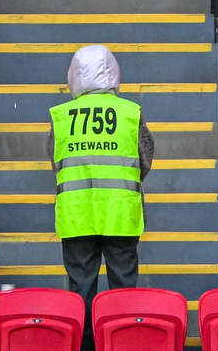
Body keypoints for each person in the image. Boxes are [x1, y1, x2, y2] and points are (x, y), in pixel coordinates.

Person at [50, 43, 153, 300]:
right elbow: (145, 157)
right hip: (120, 212)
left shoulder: (61, 116)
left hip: (77, 215)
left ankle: (86, 342)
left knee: (81, 288)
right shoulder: (130, 112)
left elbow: (55, 160)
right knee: (123, 286)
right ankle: (119, 339)